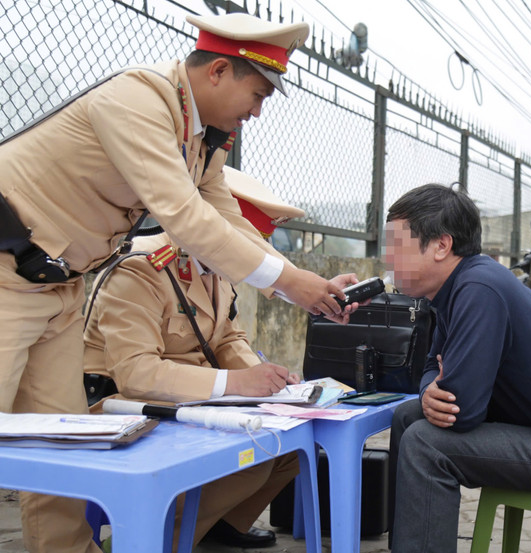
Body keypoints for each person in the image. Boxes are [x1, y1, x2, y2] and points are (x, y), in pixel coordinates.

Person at [0, 13, 354, 553]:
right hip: (6, 274)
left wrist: (302, 283)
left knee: (59, 445)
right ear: (217, 72)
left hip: (59, 287)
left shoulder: (201, 142)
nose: (257, 112)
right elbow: (184, 218)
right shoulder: (137, 101)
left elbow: (228, 219)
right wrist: (287, 281)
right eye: (256, 93)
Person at [83, 168, 352, 550]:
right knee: (255, 454)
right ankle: (153, 540)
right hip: (125, 412)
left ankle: (218, 526)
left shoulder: (215, 271)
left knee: (289, 447)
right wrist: (237, 384)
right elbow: (135, 373)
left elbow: (226, 337)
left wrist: (269, 381)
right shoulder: (140, 270)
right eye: (247, 247)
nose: (251, 262)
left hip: (184, 404)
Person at [383, 183, 531, 553]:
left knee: (426, 444)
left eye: (397, 246)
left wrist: (444, 389)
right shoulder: (454, 289)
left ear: (441, 246)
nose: (388, 259)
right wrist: (430, 389)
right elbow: (433, 366)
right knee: (407, 416)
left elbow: (462, 412)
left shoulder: (479, 288)